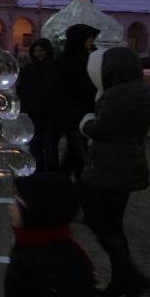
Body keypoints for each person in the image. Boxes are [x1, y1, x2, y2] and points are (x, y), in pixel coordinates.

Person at [80, 46, 150, 297]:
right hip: (127, 166)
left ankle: (126, 280)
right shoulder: (139, 89)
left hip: (111, 168)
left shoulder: (117, 95)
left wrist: (86, 121)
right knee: (110, 225)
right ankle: (128, 278)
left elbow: (101, 130)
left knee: (106, 226)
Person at [52, 24, 99, 184]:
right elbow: (61, 91)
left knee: (72, 157)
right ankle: (81, 192)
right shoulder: (65, 61)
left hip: (87, 113)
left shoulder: (90, 57)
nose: (92, 41)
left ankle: (61, 187)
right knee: (82, 157)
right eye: (89, 38)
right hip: (73, 117)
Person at [15, 38, 58, 172]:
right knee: (35, 147)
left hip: (51, 114)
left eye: (41, 50)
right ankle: (38, 173)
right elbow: (22, 90)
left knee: (50, 146)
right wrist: (25, 107)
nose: (38, 54)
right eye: (35, 51)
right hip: (33, 114)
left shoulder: (55, 69)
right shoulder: (29, 70)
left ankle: (52, 173)